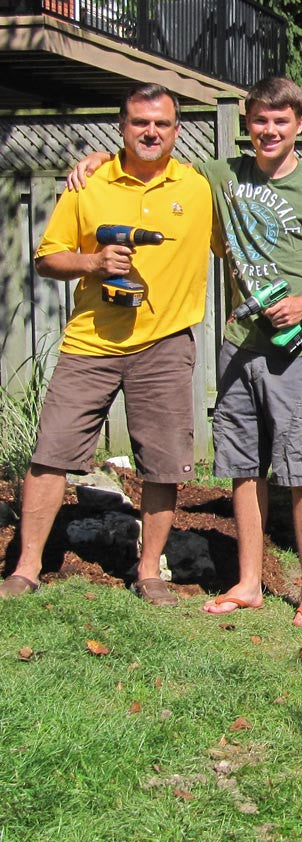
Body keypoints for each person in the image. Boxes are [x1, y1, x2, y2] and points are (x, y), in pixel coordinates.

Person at [0, 84, 213, 605]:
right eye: (140, 122)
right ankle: (26, 569)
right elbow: (49, 258)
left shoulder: (198, 187)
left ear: (176, 130)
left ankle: (150, 572)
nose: (151, 132)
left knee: (163, 465)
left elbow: (242, 242)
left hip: (164, 344)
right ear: (122, 127)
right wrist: (94, 261)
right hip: (90, 342)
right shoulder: (88, 184)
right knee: (51, 455)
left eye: (162, 124)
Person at [199, 77, 302, 626]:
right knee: (244, 468)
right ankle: (248, 583)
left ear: (299, 124)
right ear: (248, 124)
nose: (269, 130)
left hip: (296, 352)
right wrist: (103, 156)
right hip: (237, 348)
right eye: (260, 120)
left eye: (280, 121)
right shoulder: (224, 175)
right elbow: (159, 168)